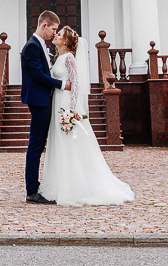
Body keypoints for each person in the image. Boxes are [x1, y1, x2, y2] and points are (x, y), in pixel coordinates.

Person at [38, 26, 135, 206]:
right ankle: (60, 184)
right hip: (57, 101)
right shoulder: (58, 57)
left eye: (59, 34)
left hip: (66, 103)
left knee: (70, 142)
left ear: (65, 42)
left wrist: (74, 107)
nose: (55, 35)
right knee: (60, 142)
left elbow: (76, 83)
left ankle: (75, 186)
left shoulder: (69, 58)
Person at [20, 10, 69, 203]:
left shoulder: (40, 45)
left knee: (39, 145)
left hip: (44, 99)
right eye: (53, 29)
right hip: (39, 100)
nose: (54, 33)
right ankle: (32, 190)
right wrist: (63, 85)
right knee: (36, 146)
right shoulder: (32, 47)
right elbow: (38, 76)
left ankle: (37, 187)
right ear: (44, 26)